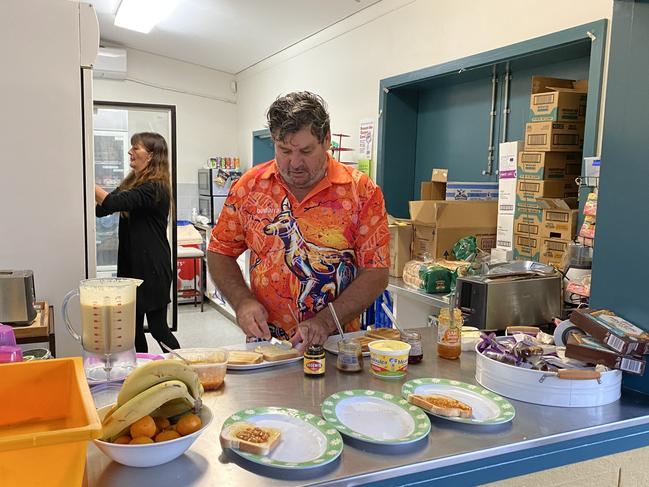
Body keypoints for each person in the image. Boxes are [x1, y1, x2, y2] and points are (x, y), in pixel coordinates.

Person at [207, 91, 390, 349]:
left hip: (337, 344)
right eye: (284, 150)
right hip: (266, 345)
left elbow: (376, 272)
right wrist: (242, 301)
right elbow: (219, 252)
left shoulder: (361, 191)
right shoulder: (249, 187)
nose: (295, 163)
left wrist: (325, 322)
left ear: (327, 140)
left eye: (306, 151)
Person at [95, 132, 180, 353]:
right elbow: (103, 209)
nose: (130, 151)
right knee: (132, 329)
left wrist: (84, 178)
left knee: (158, 327)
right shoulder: (132, 183)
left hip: (152, 268)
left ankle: (184, 369)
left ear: (151, 156)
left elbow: (112, 202)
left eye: (136, 148)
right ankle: (142, 373)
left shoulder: (156, 187)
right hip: (132, 267)